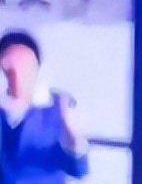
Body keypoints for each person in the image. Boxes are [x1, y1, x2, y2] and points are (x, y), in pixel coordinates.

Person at [0, 31, 89, 184]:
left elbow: (78, 170)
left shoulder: (59, 105)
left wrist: (74, 138)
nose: (17, 69)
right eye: (9, 62)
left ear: (36, 65)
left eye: (23, 62)